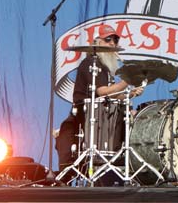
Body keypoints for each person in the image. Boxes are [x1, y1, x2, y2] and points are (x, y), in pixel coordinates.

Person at [56, 25, 143, 172]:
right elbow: (103, 92)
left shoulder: (106, 67)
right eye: (108, 39)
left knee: (132, 114)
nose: (112, 44)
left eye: (115, 40)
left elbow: (110, 94)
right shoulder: (91, 63)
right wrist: (127, 80)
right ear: (97, 42)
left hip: (100, 114)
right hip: (85, 116)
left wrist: (131, 93)